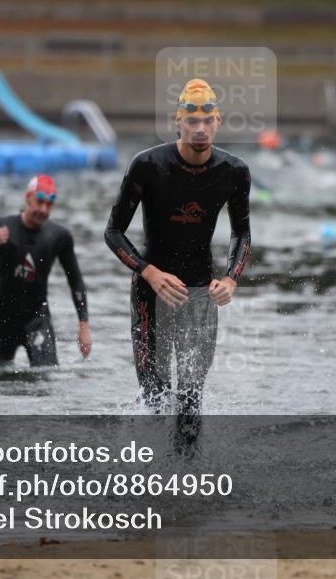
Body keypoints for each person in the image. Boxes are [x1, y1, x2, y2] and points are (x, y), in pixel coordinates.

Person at [104, 78, 251, 450]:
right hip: (151, 293)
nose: (199, 129)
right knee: (154, 392)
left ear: (218, 122)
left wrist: (231, 279)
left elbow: (242, 234)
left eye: (207, 122)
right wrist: (149, 272)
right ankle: (148, 473)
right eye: (191, 122)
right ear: (178, 122)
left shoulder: (234, 172)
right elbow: (113, 232)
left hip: (200, 294)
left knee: (190, 397)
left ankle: (186, 483)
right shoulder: (148, 165)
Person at [0, 174, 91, 365]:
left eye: (49, 205)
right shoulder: (0, 227)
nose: (43, 209)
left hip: (37, 320)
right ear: (28, 198)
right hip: (2, 320)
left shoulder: (59, 236)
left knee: (47, 379)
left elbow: (75, 280)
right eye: (39, 202)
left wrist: (83, 324)